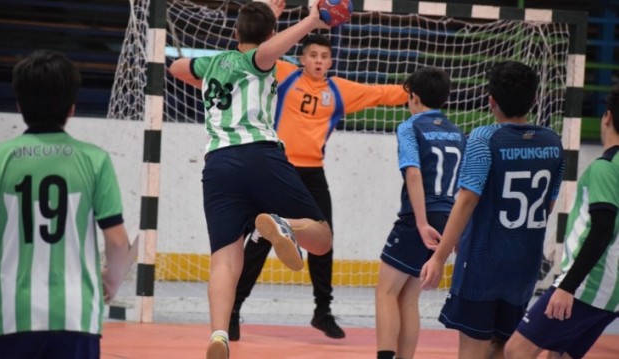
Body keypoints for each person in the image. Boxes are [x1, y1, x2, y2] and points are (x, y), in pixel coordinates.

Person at [167, 2, 335, 358]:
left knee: (225, 259)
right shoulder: (260, 60)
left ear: (234, 34)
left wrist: (214, 70)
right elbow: (270, 50)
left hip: (217, 165)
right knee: (321, 239)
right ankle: (279, 223)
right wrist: (311, 19)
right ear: (270, 36)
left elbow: (176, 66)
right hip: (259, 155)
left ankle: (218, 335)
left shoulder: (215, 62)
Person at [230, 33, 410, 341]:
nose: (318, 61)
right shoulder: (285, 75)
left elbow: (380, 93)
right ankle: (232, 311)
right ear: (302, 58)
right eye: (312, 55)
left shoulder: (338, 90)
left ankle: (322, 311)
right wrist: (268, 25)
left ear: (330, 61)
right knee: (261, 238)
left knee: (323, 240)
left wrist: (413, 90)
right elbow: (254, 52)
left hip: (313, 174)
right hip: (279, 168)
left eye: (324, 56)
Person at [0, 50, 137, 359]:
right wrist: (111, 282)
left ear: (18, 104)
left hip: (14, 314)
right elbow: (118, 243)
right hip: (76, 314)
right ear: (71, 107)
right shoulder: (94, 160)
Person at [419, 61, 565, 359]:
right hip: (524, 265)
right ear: (534, 99)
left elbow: (466, 201)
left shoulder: (485, 139)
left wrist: (439, 256)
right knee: (502, 347)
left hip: (483, 264)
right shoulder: (553, 142)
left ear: (491, 101)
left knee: (473, 349)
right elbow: (548, 206)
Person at [504, 86, 619, 359]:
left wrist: (567, 287)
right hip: (611, 294)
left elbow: (602, 230)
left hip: (587, 285)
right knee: (557, 356)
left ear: (607, 117)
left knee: (516, 350)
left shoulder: (606, 167)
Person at [375, 67, 465, 359]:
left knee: (386, 291)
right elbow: (466, 186)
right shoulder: (457, 132)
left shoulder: (411, 126)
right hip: (448, 219)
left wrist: (422, 221)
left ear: (413, 97)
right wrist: (457, 230)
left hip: (421, 219)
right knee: (409, 296)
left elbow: (413, 174)